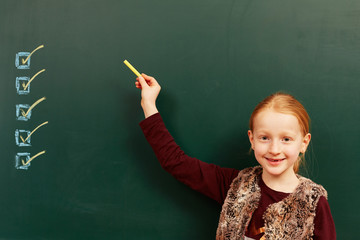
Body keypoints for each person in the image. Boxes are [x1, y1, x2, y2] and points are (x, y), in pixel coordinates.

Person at [135, 73, 336, 239]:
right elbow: (176, 162)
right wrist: (149, 104)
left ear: (304, 142)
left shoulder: (313, 203)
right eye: (265, 138)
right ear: (252, 139)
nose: (274, 149)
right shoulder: (235, 185)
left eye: (286, 139)